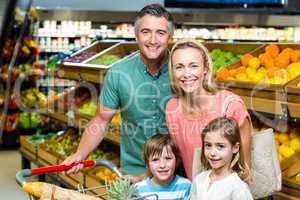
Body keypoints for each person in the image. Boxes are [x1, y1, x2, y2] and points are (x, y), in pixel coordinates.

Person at [62, 4, 174, 182]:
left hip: (177, 171)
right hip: (134, 171)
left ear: (170, 36)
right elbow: (101, 119)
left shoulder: (183, 70)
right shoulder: (118, 73)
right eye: (146, 32)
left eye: (160, 32)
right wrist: (80, 154)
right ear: (136, 34)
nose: (153, 40)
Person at [166, 39, 252, 180]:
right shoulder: (172, 108)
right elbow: (182, 160)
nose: (186, 74)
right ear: (172, 71)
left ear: (205, 68)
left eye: (193, 66)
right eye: (179, 67)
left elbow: (246, 170)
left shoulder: (231, 107)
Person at [190, 117, 253, 199]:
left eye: (220, 146)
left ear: (235, 148)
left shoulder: (238, 188)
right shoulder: (199, 180)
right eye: (208, 145)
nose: (212, 153)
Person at [135, 133, 191, 200]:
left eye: (168, 158)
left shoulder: (186, 186)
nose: (162, 165)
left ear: (176, 160)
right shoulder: (138, 189)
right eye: (155, 160)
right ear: (147, 163)